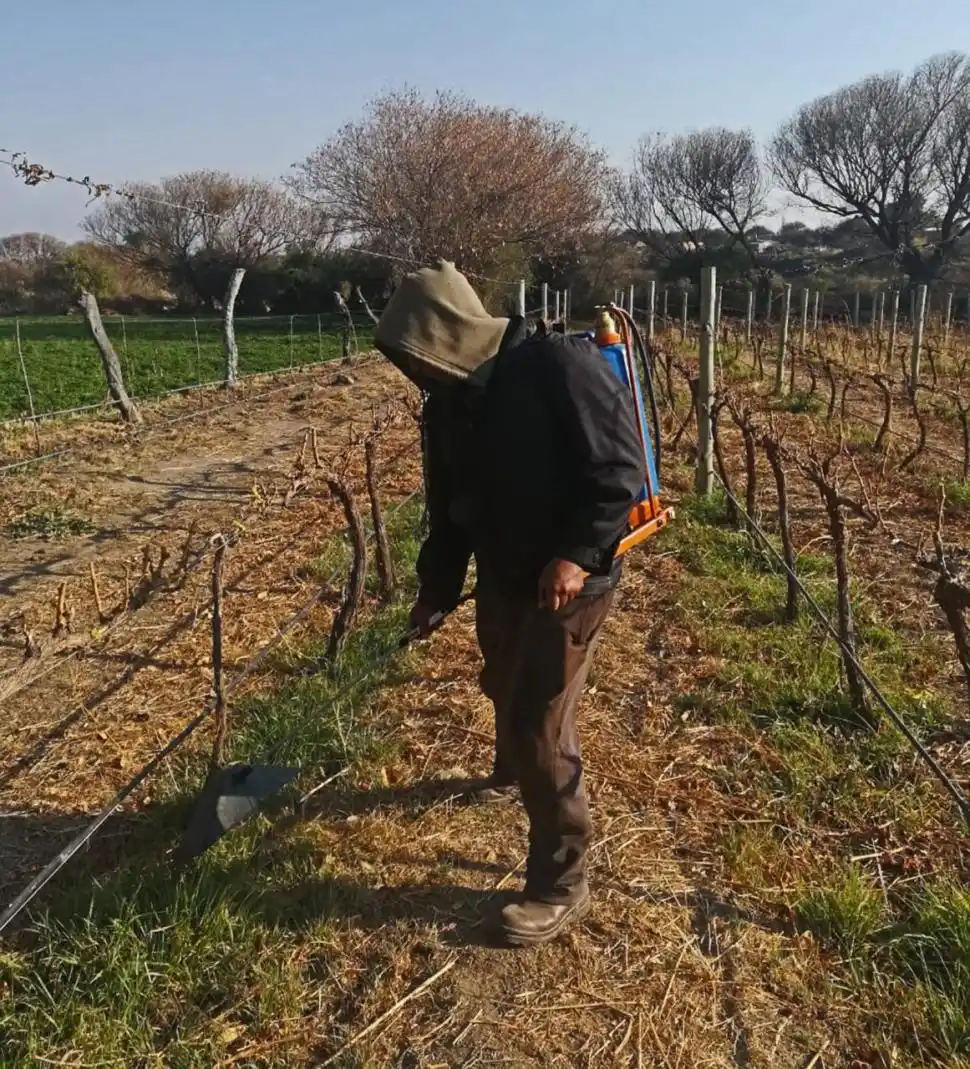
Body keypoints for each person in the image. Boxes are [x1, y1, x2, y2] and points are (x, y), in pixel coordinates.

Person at [374, 262, 645, 946]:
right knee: (500, 677)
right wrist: (435, 590)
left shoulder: (557, 365)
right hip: (503, 573)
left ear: (446, 333)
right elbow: (450, 511)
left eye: (415, 355)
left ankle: (561, 881)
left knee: (540, 724)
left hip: (573, 582)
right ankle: (513, 766)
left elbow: (619, 474)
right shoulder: (449, 404)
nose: (414, 372)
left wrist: (576, 556)